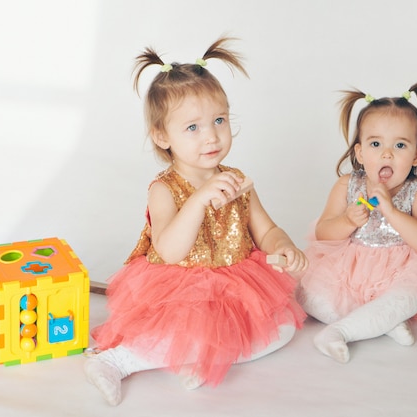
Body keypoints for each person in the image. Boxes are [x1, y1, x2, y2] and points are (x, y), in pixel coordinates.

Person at [84, 36, 308, 406]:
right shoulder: (165, 189)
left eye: (219, 120)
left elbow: (264, 229)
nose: (212, 136)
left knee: (282, 329)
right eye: (193, 128)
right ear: (162, 136)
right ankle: (114, 362)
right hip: (180, 288)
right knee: (181, 329)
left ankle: (206, 355)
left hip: (236, 283)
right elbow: (169, 251)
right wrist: (200, 199)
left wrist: (282, 245)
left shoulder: (237, 179)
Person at [296, 80, 417, 364]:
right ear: (361, 153)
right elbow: (323, 232)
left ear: (416, 156)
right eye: (376, 144)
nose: (387, 154)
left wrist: (392, 212)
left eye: (400, 145)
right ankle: (382, 322)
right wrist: (347, 220)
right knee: (306, 291)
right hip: (346, 269)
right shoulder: (346, 185)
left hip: (400, 271)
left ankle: (340, 331)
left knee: (409, 297)